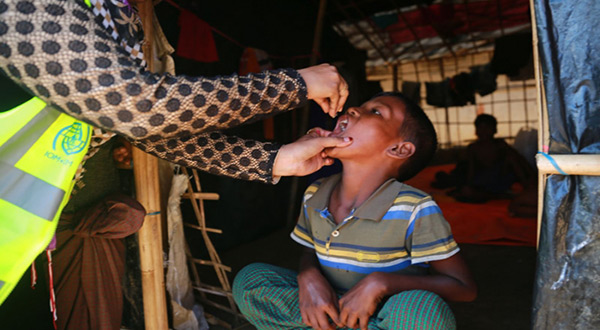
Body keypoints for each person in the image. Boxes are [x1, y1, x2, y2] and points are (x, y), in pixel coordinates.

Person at [0, 0, 352, 183]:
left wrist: (273, 160)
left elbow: (149, 129)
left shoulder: (119, 15)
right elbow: (139, 109)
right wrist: (295, 84)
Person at [233, 92, 477, 330]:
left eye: (376, 112)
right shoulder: (315, 192)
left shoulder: (414, 207)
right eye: (360, 106)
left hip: (383, 319)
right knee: (251, 280)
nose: (352, 109)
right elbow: (310, 251)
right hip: (328, 310)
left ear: (399, 149)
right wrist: (307, 275)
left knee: (423, 311)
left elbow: (463, 287)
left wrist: (381, 283)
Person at [434, 114, 535, 203]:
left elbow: (518, 159)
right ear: (476, 131)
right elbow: (471, 169)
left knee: (511, 158)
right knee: (465, 189)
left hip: (499, 179)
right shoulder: (473, 148)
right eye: (481, 128)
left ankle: (524, 187)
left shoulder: (500, 144)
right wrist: (469, 185)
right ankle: (500, 196)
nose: (484, 132)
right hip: (482, 181)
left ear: (495, 130)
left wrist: (530, 177)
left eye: (487, 128)